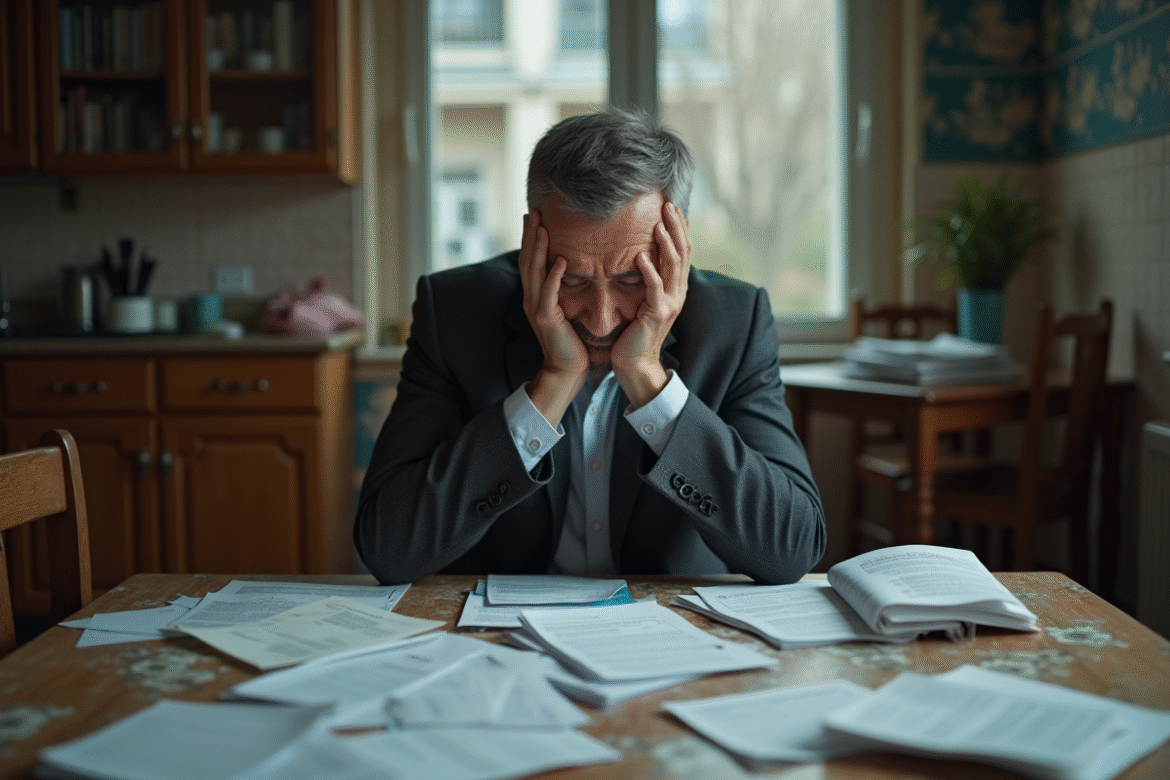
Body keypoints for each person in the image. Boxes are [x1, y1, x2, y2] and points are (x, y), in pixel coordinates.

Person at [355, 109, 825, 584]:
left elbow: (790, 548)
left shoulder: (733, 325)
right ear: (530, 244)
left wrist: (648, 380)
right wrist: (552, 384)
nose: (601, 319)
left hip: (669, 632)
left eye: (630, 279)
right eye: (571, 279)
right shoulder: (456, 315)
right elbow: (388, 549)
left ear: (676, 248)